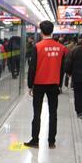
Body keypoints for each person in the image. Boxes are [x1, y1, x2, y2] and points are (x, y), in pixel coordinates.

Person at [24, 21, 68, 149]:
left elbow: (32, 67)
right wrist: (60, 84)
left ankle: (35, 140)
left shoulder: (37, 47)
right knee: (53, 113)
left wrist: (30, 85)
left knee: (37, 113)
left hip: (39, 84)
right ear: (52, 31)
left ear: (41, 31)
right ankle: (51, 142)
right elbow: (62, 68)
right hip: (54, 84)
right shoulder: (61, 48)